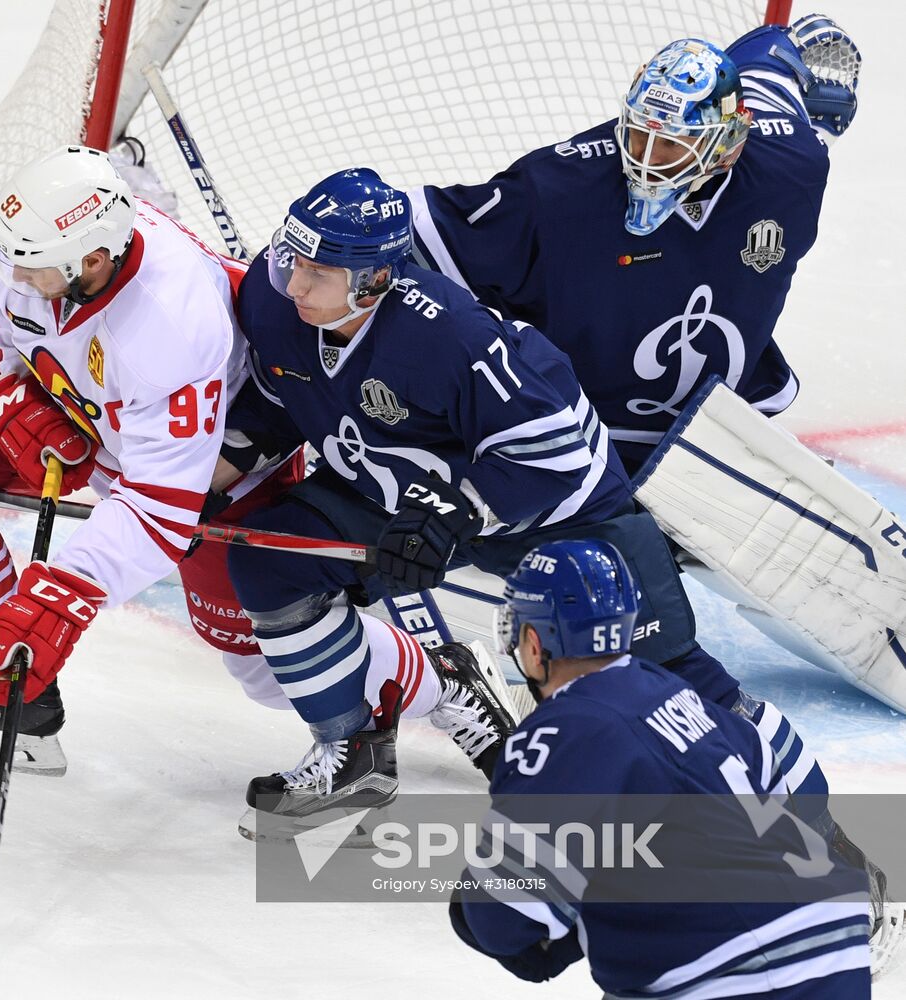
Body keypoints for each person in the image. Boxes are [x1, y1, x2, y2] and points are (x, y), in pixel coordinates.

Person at [219, 168, 835, 837]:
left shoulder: (449, 336)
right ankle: (354, 756)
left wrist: (457, 513)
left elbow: (555, 455)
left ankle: (810, 819)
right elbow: (279, 401)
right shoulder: (273, 298)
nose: (295, 286)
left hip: (559, 506)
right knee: (274, 565)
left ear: (375, 279)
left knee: (665, 669)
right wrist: (200, 484)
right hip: (397, 487)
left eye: (320, 272)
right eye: (293, 260)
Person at [0, 144, 296, 773]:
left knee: (269, 674)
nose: (15, 280)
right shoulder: (16, 248)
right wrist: (16, 392)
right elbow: (16, 338)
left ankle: (437, 685)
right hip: (85, 400)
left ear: (95, 258)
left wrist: (66, 596)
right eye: (11, 262)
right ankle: (16, 697)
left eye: (35, 271)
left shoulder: (170, 325)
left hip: (223, 455)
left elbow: (162, 508)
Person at [409, 19, 860, 474]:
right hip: (571, 428)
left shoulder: (794, 163)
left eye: (670, 145)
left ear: (728, 142)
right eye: (640, 133)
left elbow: (768, 79)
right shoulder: (557, 189)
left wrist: (783, 47)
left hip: (724, 428)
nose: (645, 159)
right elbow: (427, 237)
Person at [451, 538, 877, 997]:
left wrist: (472, 912)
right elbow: (762, 789)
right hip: (837, 943)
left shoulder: (563, 731)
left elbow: (502, 919)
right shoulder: (681, 694)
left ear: (534, 643)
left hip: (737, 971)